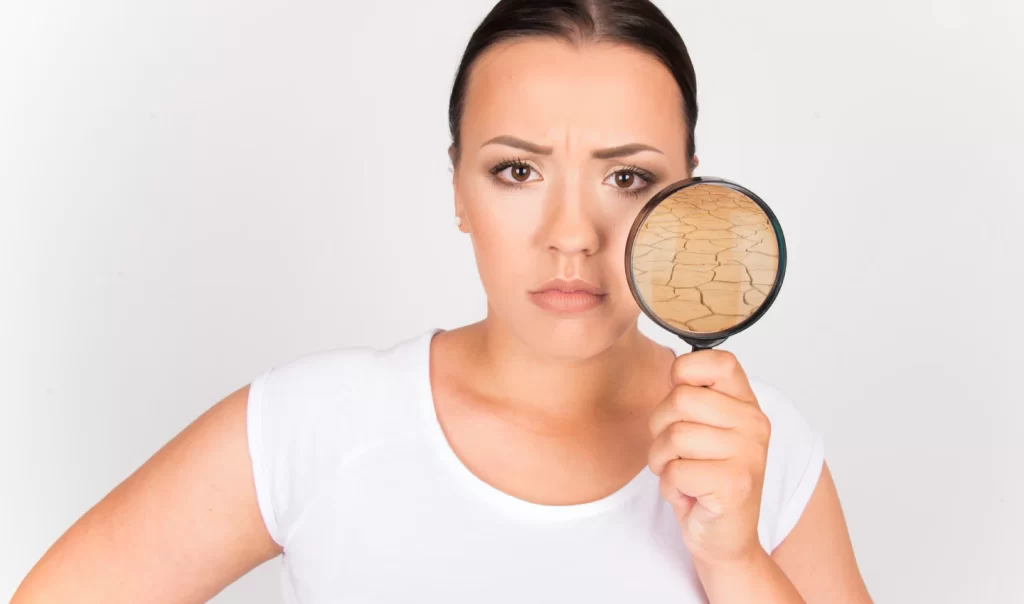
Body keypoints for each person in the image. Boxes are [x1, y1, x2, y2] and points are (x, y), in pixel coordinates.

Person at [12, 0, 873, 602]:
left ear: (689, 197)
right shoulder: (311, 426)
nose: (571, 233)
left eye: (627, 176)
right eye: (516, 170)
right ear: (459, 190)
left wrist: (736, 564)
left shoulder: (762, 452)